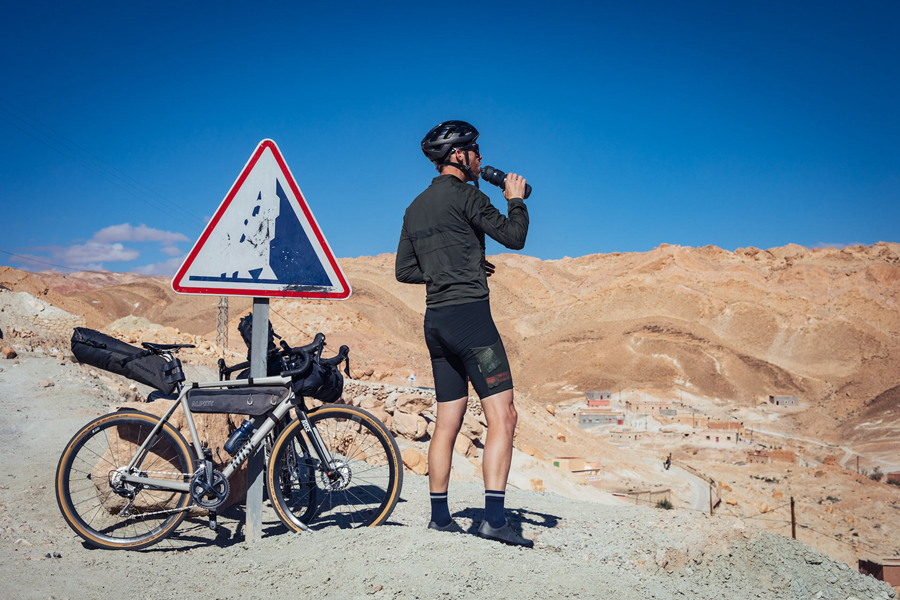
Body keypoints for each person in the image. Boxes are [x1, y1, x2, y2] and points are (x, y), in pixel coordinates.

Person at [395, 120, 532, 547]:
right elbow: (515, 236)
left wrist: (455, 267)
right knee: (503, 416)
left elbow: (405, 271)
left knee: (446, 421)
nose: (478, 159)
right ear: (458, 155)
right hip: (471, 321)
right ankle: (493, 519)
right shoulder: (469, 195)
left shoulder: (415, 206)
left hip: (436, 322)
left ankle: (440, 517)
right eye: (474, 151)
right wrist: (515, 200)